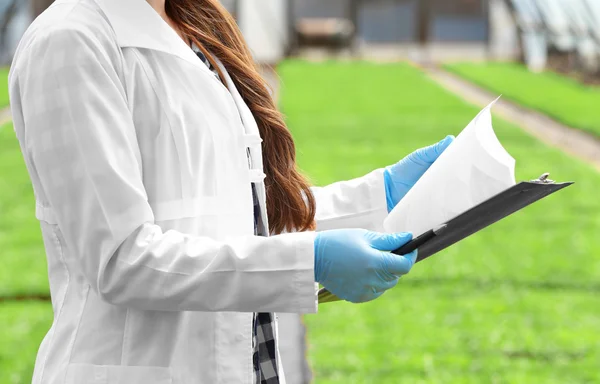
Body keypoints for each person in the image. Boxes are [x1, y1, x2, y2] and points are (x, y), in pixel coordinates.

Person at [8, 0, 454, 383]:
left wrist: (383, 195)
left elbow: (240, 212)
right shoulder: (70, 41)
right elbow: (121, 258)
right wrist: (309, 260)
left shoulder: (192, 30)